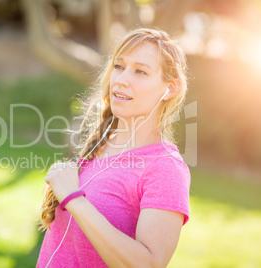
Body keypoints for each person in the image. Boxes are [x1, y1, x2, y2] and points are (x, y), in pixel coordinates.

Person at [36, 28, 191, 268]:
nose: (121, 79)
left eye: (140, 71)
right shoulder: (100, 146)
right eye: (119, 66)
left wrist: (75, 200)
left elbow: (148, 264)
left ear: (170, 88)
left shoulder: (166, 168)